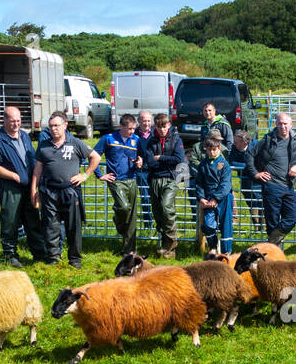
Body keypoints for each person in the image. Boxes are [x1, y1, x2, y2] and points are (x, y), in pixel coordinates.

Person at [32, 111, 99, 269]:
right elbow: (37, 171)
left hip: (70, 191)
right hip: (49, 191)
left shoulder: (75, 143)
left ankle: (75, 259)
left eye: (56, 126)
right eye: (51, 126)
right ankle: (53, 257)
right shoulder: (44, 146)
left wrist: (85, 174)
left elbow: (95, 157)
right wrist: (34, 191)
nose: (54, 129)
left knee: (73, 226)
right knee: (50, 225)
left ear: (65, 125)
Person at [0, 106, 45, 267]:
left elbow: (33, 158)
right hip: (10, 188)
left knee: (33, 220)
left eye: (18, 120)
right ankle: (10, 255)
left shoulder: (25, 136)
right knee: (10, 222)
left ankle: (39, 254)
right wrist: (13, 176)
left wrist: (35, 181)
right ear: (4, 120)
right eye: (12, 121)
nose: (16, 124)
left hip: (29, 187)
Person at [252, 113, 296, 245]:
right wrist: (256, 174)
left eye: (285, 124)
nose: (283, 126)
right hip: (271, 186)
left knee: (293, 217)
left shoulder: (295, 140)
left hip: (288, 185)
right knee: (272, 221)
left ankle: (271, 243)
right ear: (276, 124)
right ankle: (275, 253)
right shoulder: (268, 139)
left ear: (291, 125)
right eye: (280, 123)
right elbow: (249, 154)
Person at [97, 113, 143, 255]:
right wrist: (100, 175)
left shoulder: (136, 140)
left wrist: (140, 162)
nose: (132, 132)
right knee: (123, 208)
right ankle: (118, 220)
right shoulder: (108, 139)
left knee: (132, 216)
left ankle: (129, 250)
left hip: (132, 179)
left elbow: (141, 157)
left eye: (134, 128)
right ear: (120, 127)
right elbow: (94, 156)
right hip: (116, 180)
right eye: (129, 128)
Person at [140, 113, 185, 259]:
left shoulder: (176, 139)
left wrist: (161, 157)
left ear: (169, 126)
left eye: (164, 126)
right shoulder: (152, 141)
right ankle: (166, 246)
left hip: (171, 178)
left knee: (166, 207)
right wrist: (164, 160)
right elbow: (150, 162)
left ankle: (171, 243)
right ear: (155, 127)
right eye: (159, 127)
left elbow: (179, 159)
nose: (162, 130)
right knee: (158, 213)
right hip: (154, 178)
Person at [195, 134, 233, 255]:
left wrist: (216, 198)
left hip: (223, 198)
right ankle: (213, 247)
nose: (212, 152)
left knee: (225, 225)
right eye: (209, 149)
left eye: (214, 149)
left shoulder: (224, 164)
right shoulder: (203, 165)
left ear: (219, 149)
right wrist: (201, 198)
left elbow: (226, 184)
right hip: (207, 199)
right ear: (205, 149)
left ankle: (227, 252)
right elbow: (199, 183)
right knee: (207, 225)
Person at [228, 129, 261, 232]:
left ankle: (263, 226)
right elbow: (232, 161)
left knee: (260, 201)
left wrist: (248, 167)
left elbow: (260, 162)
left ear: (245, 143)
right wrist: (248, 166)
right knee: (250, 201)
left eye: (237, 142)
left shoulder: (256, 146)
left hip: (258, 179)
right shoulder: (235, 147)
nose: (235, 144)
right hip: (245, 178)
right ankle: (257, 226)